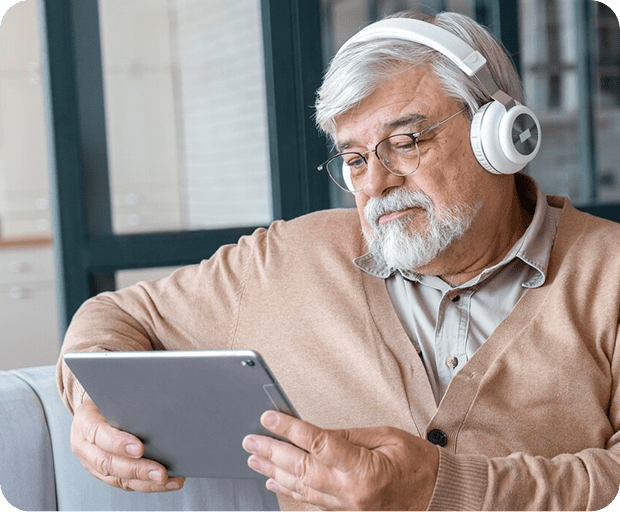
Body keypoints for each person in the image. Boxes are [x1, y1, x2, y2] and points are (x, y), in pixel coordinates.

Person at [57, 10, 620, 511]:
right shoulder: (287, 260)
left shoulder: (609, 273)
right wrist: (91, 404)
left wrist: (438, 491)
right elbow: (119, 316)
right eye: (353, 158)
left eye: (405, 142)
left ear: (498, 135)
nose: (375, 183)